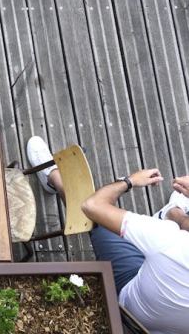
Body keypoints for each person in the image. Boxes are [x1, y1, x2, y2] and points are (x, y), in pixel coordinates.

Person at [27, 136, 189, 333]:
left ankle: (54, 178)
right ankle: (174, 213)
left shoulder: (172, 242)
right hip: (159, 325)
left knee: (96, 219)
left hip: (128, 306)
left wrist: (130, 181)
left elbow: (93, 206)